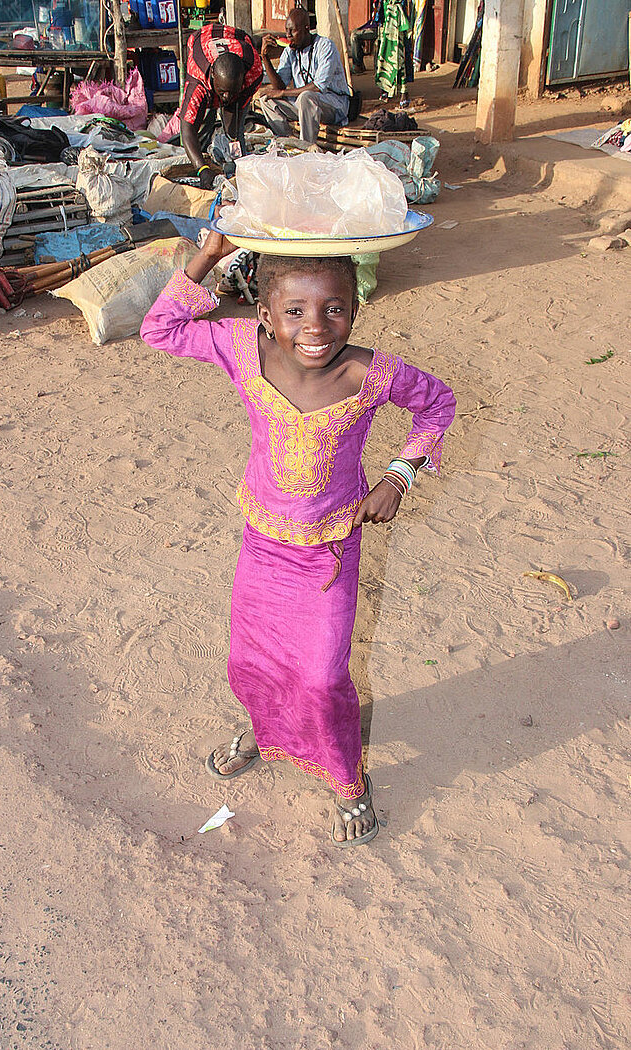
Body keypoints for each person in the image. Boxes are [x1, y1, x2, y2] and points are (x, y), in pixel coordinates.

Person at [140, 230, 455, 846]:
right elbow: (161, 328)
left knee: (322, 676)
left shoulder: (373, 373)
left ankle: (347, 779)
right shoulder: (240, 348)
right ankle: (265, 732)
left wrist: (400, 473)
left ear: (355, 310)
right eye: (295, 310)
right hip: (263, 543)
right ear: (265, 314)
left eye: (334, 308)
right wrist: (211, 252)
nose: (316, 326)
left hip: (331, 551)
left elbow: (438, 406)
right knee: (253, 660)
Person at [179, 24, 263, 189]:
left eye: (232, 92)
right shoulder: (198, 82)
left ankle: (236, 168)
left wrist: (234, 149)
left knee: (235, 131)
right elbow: (186, 129)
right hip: (199, 40)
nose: (226, 97)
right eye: (223, 91)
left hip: (238, 38)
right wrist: (202, 169)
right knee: (200, 127)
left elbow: (233, 110)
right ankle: (202, 166)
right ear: (213, 77)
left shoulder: (253, 73)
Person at [257, 8, 351, 145]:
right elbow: (280, 85)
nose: (288, 35)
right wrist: (265, 57)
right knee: (266, 99)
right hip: (303, 105)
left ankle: (306, 147)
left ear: (306, 29)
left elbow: (318, 87)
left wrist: (282, 92)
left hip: (333, 105)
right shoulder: (290, 50)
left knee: (306, 96)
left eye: (293, 31)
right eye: (286, 30)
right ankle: (288, 142)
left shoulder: (325, 46)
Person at [375, 0, 414, 107]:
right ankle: (385, 89)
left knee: (399, 59)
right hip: (385, 23)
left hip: (397, 23)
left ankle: (403, 91)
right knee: (384, 57)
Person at [349, 0, 382, 75]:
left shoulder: (381, 3)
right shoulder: (374, 3)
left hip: (379, 30)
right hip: (374, 28)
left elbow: (377, 21)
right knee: (355, 32)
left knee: (355, 36)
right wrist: (362, 28)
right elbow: (372, 21)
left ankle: (358, 65)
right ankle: (359, 63)